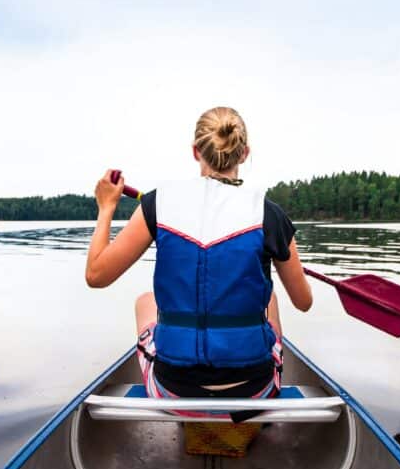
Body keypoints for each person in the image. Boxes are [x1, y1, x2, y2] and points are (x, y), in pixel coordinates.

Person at [85, 106, 312, 417]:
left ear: (195, 152)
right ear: (244, 153)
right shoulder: (269, 213)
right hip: (254, 391)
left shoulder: (156, 204)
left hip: (173, 391)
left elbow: (96, 274)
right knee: (269, 298)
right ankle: (249, 418)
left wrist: (106, 207)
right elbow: (303, 302)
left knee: (145, 302)